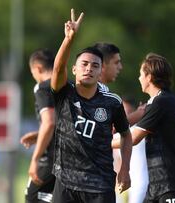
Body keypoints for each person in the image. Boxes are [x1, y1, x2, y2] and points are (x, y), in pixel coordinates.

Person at [50, 9, 132, 203]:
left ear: (100, 71)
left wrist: (125, 169)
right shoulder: (64, 92)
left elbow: (126, 134)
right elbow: (57, 68)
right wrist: (69, 39)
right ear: (74, 69)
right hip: (66, 182)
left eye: (95, 66)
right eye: (84, 64)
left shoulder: (112, 102)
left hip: (100, 185)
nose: (89, 68)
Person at [113, 53, 175, 203]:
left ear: (149, 77)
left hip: (170, 184)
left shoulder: (160, 102)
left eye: (141, 74)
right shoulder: (170, 99)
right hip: (159, 185)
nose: (139, 78)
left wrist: (101, 141)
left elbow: (134, 138)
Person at [94, 42, 148, 203]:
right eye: (116, 62)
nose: (121, 67)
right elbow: (103, 130)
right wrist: (137, 115)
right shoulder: (94, 92)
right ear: (103, 65)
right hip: (89, 177)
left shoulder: (103, 92)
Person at [20, 49, 56, 203]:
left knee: (32, 197)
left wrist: (35, 159)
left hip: (51, 158)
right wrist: (38, 135)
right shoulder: (69, 86)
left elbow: (49, 122)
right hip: (71, 158)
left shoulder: (42, 87)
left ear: (38, 69)